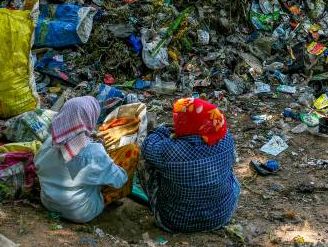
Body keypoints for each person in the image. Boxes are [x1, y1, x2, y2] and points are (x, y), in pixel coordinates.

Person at [140, 97, 240, 233]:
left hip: (174, 222)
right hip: (221, 217)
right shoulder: (225, 138)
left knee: (145, 160)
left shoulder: (170, 150)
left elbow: (147, 145)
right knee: (227, 169)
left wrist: (163, 129)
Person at [35, 96, 128, 223]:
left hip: (48, 202)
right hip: (80, 212)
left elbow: (39, 165)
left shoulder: (49, 142)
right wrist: (107, 157)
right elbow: (119, 180)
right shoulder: (94, 152)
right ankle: (108, 200)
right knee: (131, 151)